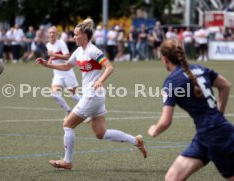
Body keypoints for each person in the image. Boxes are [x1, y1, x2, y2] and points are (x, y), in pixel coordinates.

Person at [36, 18, 147, 169]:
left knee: (67, 124)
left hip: (92, 95)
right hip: (95, 96)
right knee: (101, 133)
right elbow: (67, 66)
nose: (73, 37)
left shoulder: (93, 51)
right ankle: (136, 141)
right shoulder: (79, 51)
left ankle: (67, 161)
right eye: (73, 35)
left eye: (76, 35)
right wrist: (46, 64)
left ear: (84, 36)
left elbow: (109, 67)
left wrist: (100, 80)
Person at [147, 38, 234, 180]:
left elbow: (165, 121)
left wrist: (154, 130)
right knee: (172, 178)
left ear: (164, 59)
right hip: (205, 136)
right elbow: (225, 85)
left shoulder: (171, 82)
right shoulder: (200, 69)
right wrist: (219, 113)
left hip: (216, 137)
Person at [45, 26, 81, 119]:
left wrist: (53, 54)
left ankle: (87, 112)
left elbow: (67, 56)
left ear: (57, 34)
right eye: (50, 32)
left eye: (54, 32)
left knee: (74, 96)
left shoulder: (61, 43)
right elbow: (52, 56)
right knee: (54, 95)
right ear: (48, 34)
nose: (52, 34)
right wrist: (49, 60)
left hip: (67, 72)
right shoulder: (48, 45)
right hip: (57, 74)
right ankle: (68, 111)